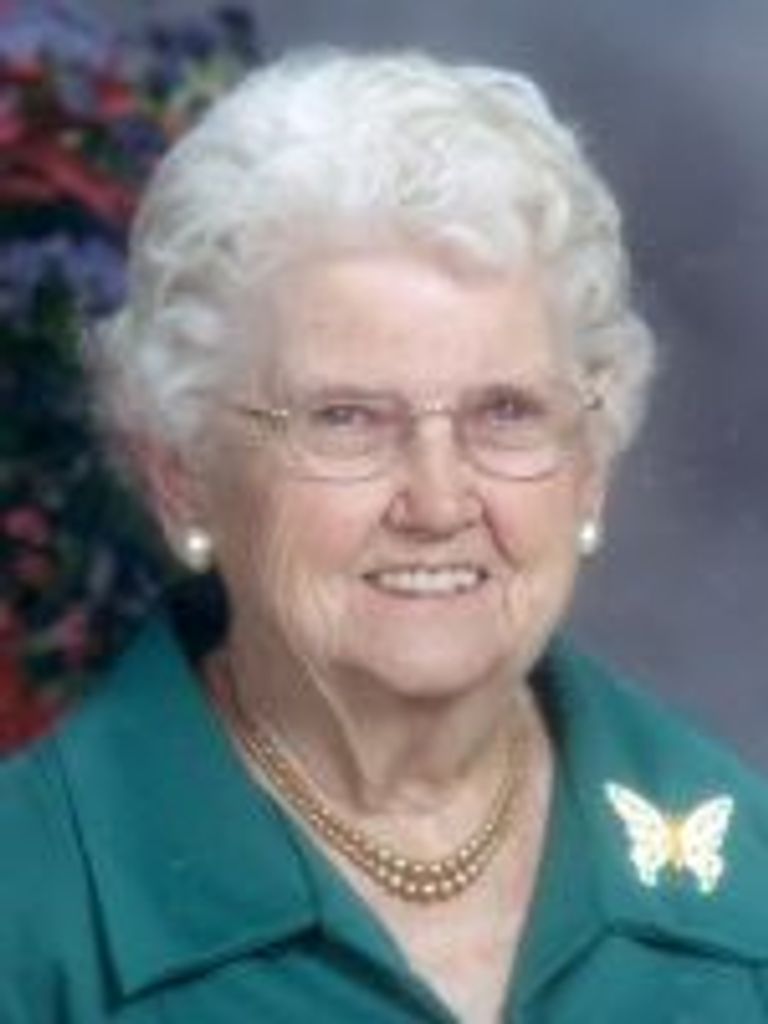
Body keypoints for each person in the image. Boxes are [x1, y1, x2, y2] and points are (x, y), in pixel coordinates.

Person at [2, 48, 768, 1024]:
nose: (438, 502)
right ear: (183, 478)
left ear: (591, 466)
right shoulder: (30, 904)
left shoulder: (745, 872)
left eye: (506, 412)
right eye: (346, 419)